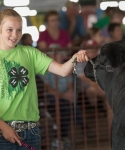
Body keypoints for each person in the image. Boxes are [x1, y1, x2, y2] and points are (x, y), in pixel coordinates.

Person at [0, 9, 88, 150]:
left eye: (19, 30)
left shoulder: (30, 53)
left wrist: (74, 58)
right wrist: (4, 128)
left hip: (31, 131)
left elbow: (63, 70)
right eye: (9, 29)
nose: (15, 35)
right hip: (2, 133)